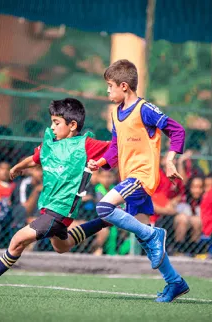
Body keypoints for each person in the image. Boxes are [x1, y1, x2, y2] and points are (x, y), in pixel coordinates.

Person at [0, 98, 111, 296]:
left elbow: (115, 148)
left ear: (72, 125)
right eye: (52, 122)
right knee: (62, 245)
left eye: (56, 123)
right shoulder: (51, 144)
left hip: (59, 211)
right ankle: (104, 221)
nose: (52, 126)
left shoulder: (85, 144)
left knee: (17, 241)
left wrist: (117, 144)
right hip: (49, 209)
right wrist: (17, 167)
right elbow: (35, 159)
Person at [88, 59, 190, 302]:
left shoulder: (145, 109)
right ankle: (175, 282)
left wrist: (169, 159)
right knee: (145, 237)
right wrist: (100, 163)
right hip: (130, 178)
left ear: (124, 86)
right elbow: (115, 147)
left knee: (104, 207)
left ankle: (155, 236)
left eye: (110, 86)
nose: (108, 91)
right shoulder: (116, 113)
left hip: (141, 176)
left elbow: (177, 130)